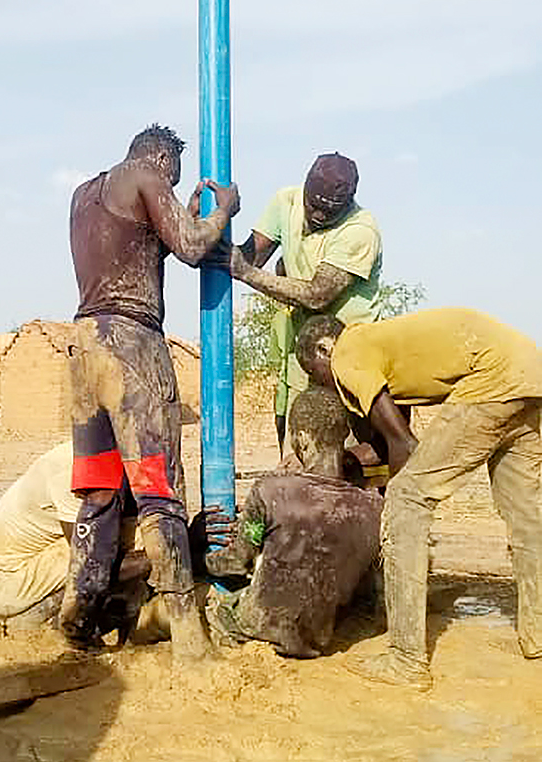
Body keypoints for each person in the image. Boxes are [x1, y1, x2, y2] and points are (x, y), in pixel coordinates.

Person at [62, 124, 240, 663]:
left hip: (84, 348)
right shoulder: (145, 175)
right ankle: (188, 635)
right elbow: (190, 246)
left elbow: (141, 250)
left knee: (99, 494)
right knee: (158, 489)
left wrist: (176, 212)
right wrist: (221, 212)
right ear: (162, 160)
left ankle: (78, 615)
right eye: (174, 179)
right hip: (131, 345)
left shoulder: (85, 193)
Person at [298, 307, 542, 690]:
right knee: (527, 515)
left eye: (313, 373)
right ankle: (538, 635)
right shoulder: (382, 346)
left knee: (406, 502)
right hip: (529, 375)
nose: (323, 384)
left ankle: (406, 659)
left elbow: (403, 444)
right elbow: (389, 441)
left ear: (323, 349)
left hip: (490, 380)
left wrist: (394, 506)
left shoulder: (348, 351)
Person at [200, 386, 383, 659]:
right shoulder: (373, 508)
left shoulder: (271, 491)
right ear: (344, 434)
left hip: (256, 627)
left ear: (303, 438)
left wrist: (200, 558)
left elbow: (238, 562)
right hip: (319, 639)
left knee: (194, 605)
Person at [220, 152, 382, 452]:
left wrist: (243, 272)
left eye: (330, 210)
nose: (319, 215)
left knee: (345, 456)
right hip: (304, 352)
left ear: (349, 201)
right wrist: (212, 220)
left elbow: (317, 295)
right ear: (305, 188)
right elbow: (248, 257)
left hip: (348, 356)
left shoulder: (360, 230)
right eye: (314, 206)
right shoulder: (286, 202)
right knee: (298, 451)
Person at [0, 441, 159, 641]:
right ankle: (42, 624)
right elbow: (90, 563)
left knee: (142, 545)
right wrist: (156, 558)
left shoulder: (116, 458)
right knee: (104, 549)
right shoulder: (75, 472)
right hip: (7, 579)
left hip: (34, 571)